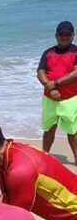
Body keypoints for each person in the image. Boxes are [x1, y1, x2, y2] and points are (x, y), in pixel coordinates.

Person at [37, 21, 77, 165]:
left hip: (71, 98)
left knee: (73, 131)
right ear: (56, 36)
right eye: (61, 34)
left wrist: (57, 83)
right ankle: (44, 157)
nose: (64, 37)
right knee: (49, 129)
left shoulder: (76, 51)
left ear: (73, 35)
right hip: (50, 99)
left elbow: (76, 72)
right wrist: (51, 88)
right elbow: (40, 72)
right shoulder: (48, 53)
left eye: (68, 34)